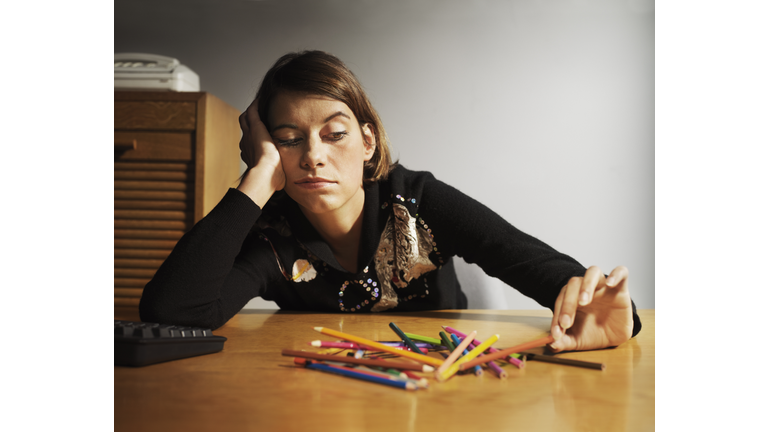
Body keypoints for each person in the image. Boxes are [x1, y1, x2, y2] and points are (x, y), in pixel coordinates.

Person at [140, 50, 641, 353]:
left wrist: (615, 319)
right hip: (316, 394)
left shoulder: (418, 201)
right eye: (289, 140)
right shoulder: (271, 237)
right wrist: (256, 180)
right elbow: (174, 312)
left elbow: (534, 263)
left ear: (369, 142)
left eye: (334, 134)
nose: (313, 157)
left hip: (441, 387)